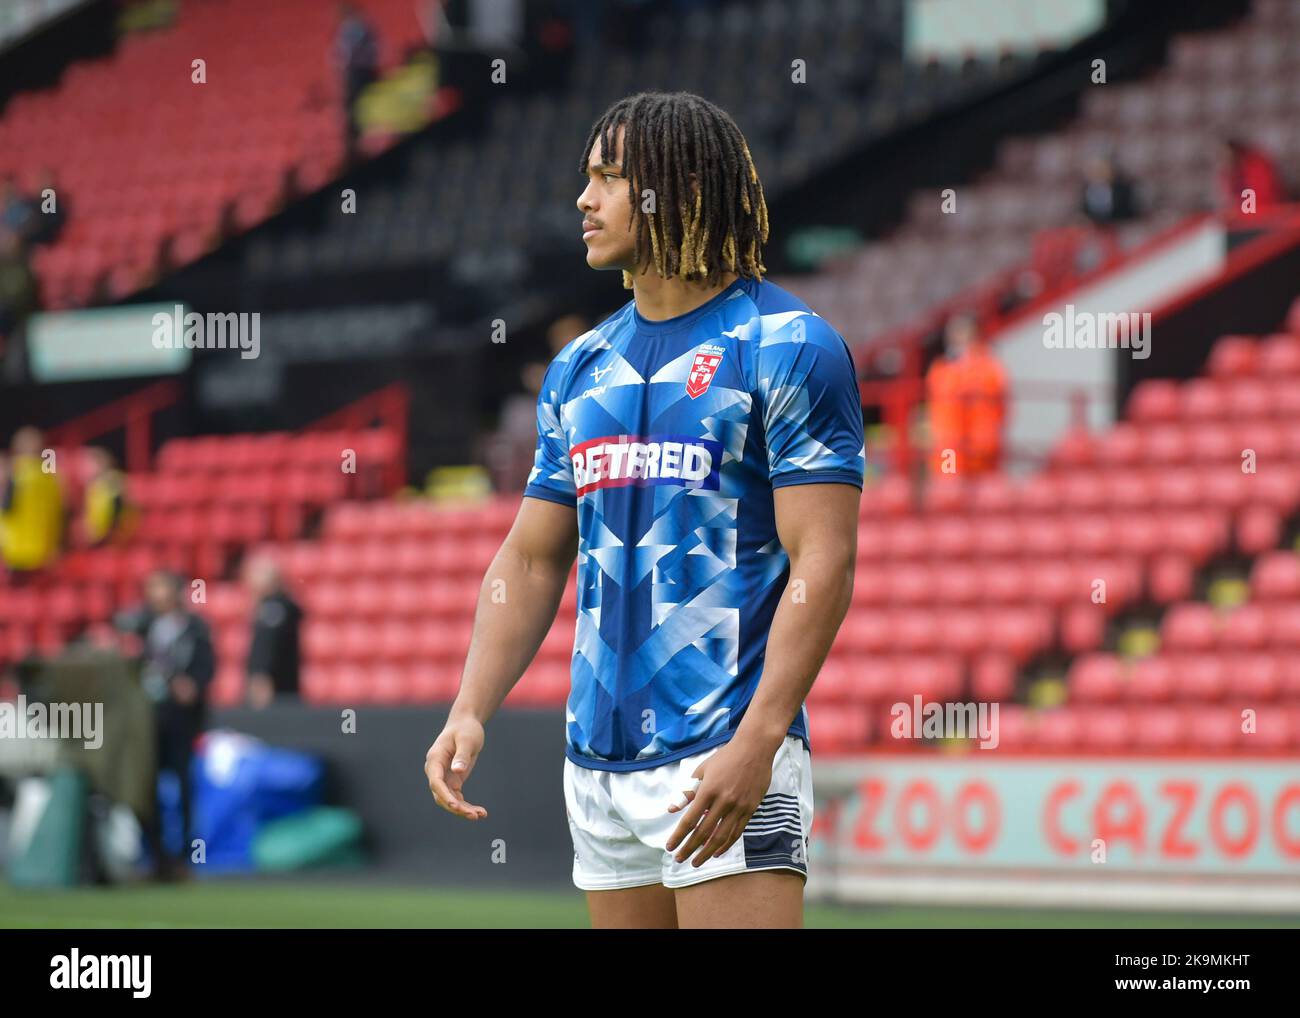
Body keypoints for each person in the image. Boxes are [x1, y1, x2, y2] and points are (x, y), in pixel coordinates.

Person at [424, 92, 864, 929]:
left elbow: (826, 560)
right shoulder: (579, 367)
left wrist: (760, 741)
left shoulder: (791, 345)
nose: (584, 201)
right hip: (596, 766)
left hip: (725, 751)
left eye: (610, 178)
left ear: (681, 188)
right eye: (586, 179)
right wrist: (470, 707)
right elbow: (530, 558)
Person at [113, 570, 216, 881]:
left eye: (161, 587)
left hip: (181, 720)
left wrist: (193, 686)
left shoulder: (195, 627)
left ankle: (185, 855)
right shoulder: (143, 626)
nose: (157, 594)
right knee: (147, 786)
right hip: (148, 720)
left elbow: (206, 667)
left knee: (184, 785)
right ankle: (156, 856)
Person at [925, 311, 1007, 476]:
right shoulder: (940, 369)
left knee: (985, 495)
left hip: (982, 448)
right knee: (948, 495)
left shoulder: (989, 367)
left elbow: (1000, 406)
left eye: (961, 332)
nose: (956, 338)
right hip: (949, 449)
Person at [0, 426, 64, 578]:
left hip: (15, 554)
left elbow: (5, 508)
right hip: (45, 554)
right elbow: (59, 513)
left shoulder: (13, 474)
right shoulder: (52, 479)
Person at [243, 554, 302, 708]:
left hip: (276, 692)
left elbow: (265, 645)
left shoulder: (272, 608)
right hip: (286, 689)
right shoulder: (283, 607)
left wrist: (261, 675)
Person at [333, 2, 380, 157]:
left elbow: (356, 54)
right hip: (353, 76)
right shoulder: (345, 29)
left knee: (363, 110)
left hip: (362, 75)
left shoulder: (360, 28)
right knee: (352, 114)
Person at [80, 447, 136, 547]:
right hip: (99, 537)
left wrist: (108, 534)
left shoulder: (113, 481)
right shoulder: (94, 486)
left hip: (113, 538)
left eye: (87, 465)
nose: (84, 470)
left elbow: (118, 511)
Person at [1218, 137, 1287, 215]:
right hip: (1248, 215)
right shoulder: (1229, 174)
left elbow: (1265, 196)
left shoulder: (1256, 167)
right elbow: (1230, 201)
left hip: (1265, 213)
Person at [1079, 151, 1138, 226]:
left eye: (1101, 169)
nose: (1098, 173)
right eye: (1094, 170)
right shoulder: (1084, 191)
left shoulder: (1123, 190)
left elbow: (1132, 214)